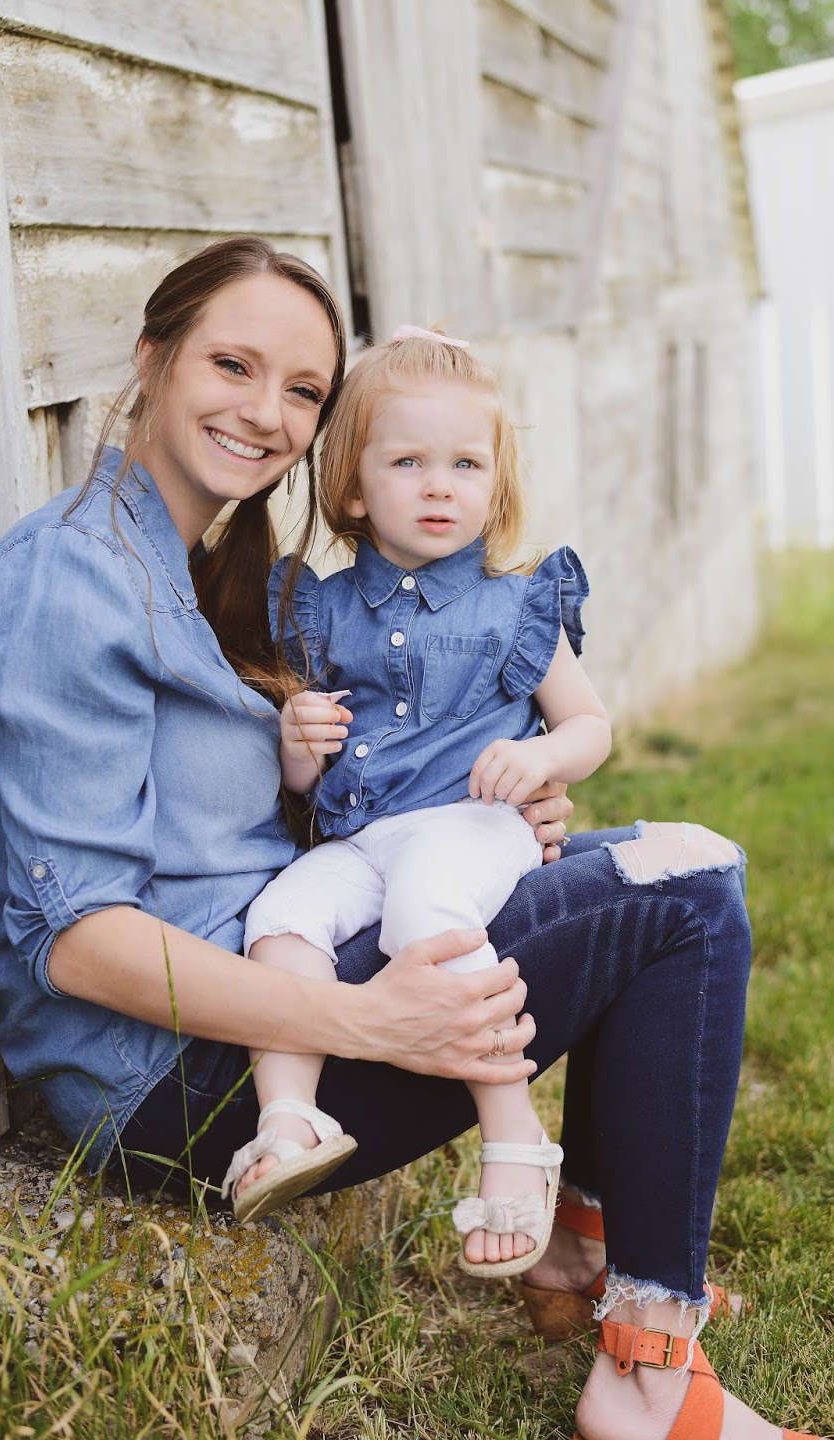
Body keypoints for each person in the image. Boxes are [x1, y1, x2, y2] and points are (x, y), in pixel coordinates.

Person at [0, 236, 834, 1440]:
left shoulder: (193, 563)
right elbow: (79, 942)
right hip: (177, 1082)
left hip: (276, 977)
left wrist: (495, 806)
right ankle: (644, 1373)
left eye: (302, 389)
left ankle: (587, 1245)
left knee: (668, 863)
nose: (264, 412)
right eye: (231, 365)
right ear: (153, 358)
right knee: (681, 891)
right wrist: (369, 1021)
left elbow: (240, 822)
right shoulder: (71, 578)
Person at [225, 326, 612, 1288]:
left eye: (465, 465)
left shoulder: (513, 605)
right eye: (408, 463)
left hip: (474, 823)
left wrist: (538, 756)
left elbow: (590, 726)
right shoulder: (319, 609)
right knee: (280, 915)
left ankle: (512, 1129)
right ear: (355, 488)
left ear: (495, 484)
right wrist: (298, 743)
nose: (440, 487)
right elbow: (303, 788)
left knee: (425, 911)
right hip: (363, 836)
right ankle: (290, 1117)